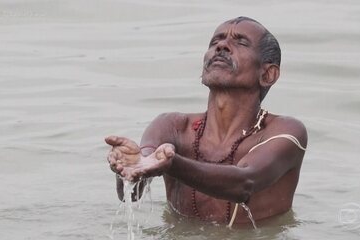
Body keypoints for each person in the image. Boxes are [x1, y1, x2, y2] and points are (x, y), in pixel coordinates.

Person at [105, 16, 307, 226]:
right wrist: (129, 167)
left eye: (240, 42)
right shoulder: (172, 127)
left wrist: (169, 164)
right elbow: (134, 191)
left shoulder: (285, 133)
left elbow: (244, 183)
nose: (222, 46)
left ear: (268, 74)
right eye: (215, 41)